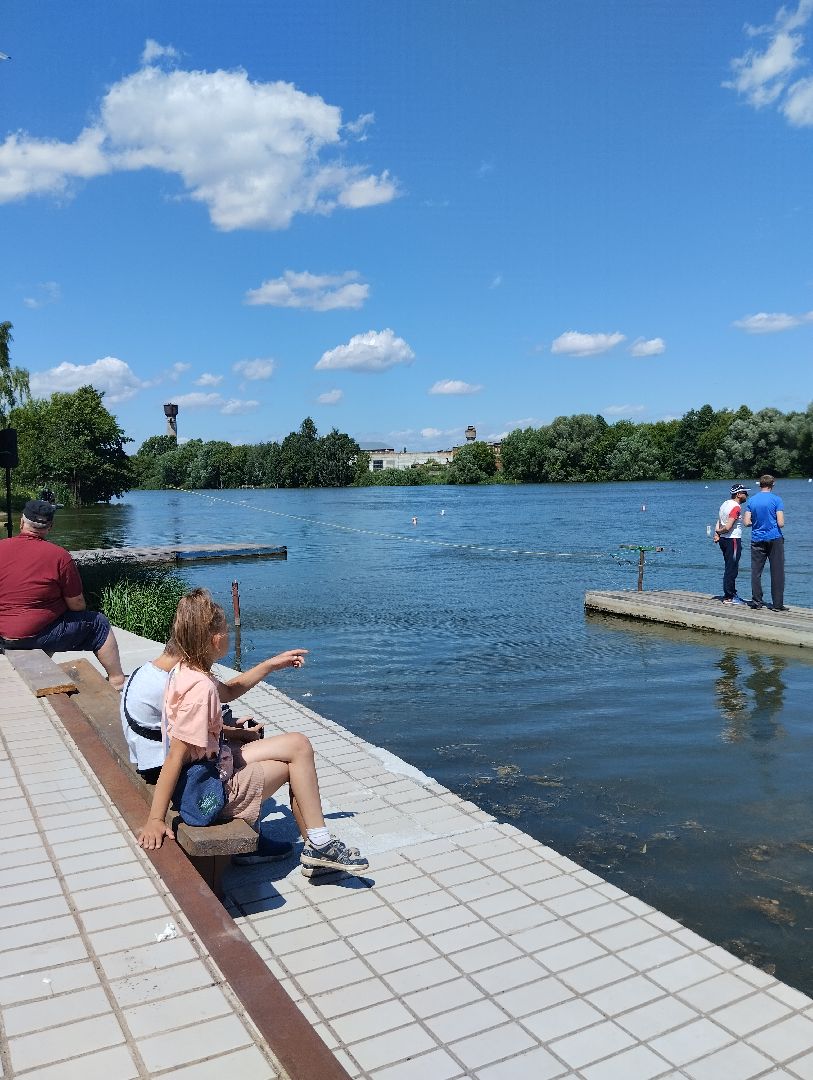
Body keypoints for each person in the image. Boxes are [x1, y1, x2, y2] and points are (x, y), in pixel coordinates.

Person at [137, 589, 369, 877]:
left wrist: (272, 664)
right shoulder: (201, 689)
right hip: (206, 790)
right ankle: (318, 845)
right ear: (214, 639)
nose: (230, 635)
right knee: (289, 767)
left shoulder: (188, 670)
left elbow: (231, 691)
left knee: (298, 745)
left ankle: (317, 844)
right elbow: (175, 757)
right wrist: (155, 819)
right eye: (225, 630)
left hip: (212, 764)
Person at [123, 633, 309, 862]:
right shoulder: (174, 682)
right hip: (173, 773)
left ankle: (304, 840)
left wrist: (269, 665)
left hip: (152, 757)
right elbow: (179, 748)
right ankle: (253, 845)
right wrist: (155, 819)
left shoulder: (149, 672)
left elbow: (218, 699)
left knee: (248, 742)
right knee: (274, 759)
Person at [0, 499, 125, 688]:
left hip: (3, 636)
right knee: (97, 623)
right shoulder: (59, 556)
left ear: (21, 522)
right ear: (50, 527)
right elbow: (77, 604)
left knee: (48, 619)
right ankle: (117, 681)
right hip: (35, 635)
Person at [743, 474, 786, 611]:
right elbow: (781, 523)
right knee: (777, 571)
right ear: (772, 485)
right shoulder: (777, 500)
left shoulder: (752, 501)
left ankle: (757, 602)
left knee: (756, 571)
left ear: (760, 485)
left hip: (757, 539)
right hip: (774, 538)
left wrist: (756, 523)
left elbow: (746, 522)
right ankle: (777, 605)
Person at [713, 483, 749, 605]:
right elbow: (728, 527)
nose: (747, 495)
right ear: (738, 494)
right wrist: (719, 531)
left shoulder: (724, 504)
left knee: (729, 567)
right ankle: (729, 596)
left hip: (724, 540)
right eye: (744, 493)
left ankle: (730, 593)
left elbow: (719, 520)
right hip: (732, 540)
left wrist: (717, 534)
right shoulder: (736, 507)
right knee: (732, 568)